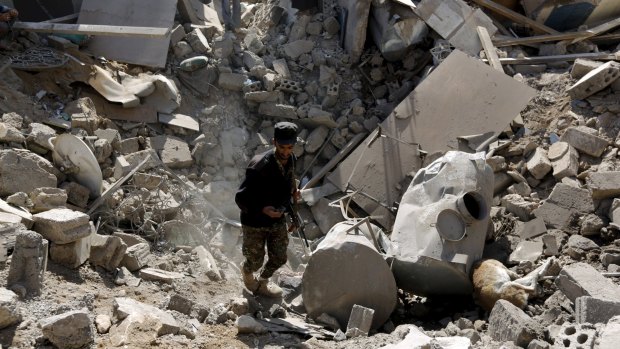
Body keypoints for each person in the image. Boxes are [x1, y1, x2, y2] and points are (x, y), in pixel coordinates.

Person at [235, 121, 299, 298]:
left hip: (277, 218)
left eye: (290, 147)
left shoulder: (292, 160)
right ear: (273, 142)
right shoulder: (260, 166)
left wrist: (293, 213)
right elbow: (241, 198)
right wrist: (263, 209)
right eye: (282, 147)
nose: (286, 152)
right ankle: (248, 274)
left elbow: (289, 187)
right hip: (254, 220)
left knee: (279, 257)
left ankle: (262, 283)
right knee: (254, 262)